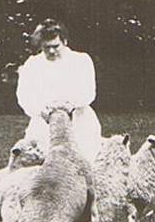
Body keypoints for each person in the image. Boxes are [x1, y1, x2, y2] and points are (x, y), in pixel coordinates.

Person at [16, 19, 102, 163]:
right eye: (46, 47)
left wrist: (70, 104)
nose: (51, 51)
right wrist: (40, 109)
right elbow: (24, 96)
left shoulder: (81, 60)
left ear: (65, 41)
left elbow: (88, 91)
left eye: (55, 46)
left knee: (82, 166)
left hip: (79, 122)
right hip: (44, 124)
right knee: (41, 168)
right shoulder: (32, 64)